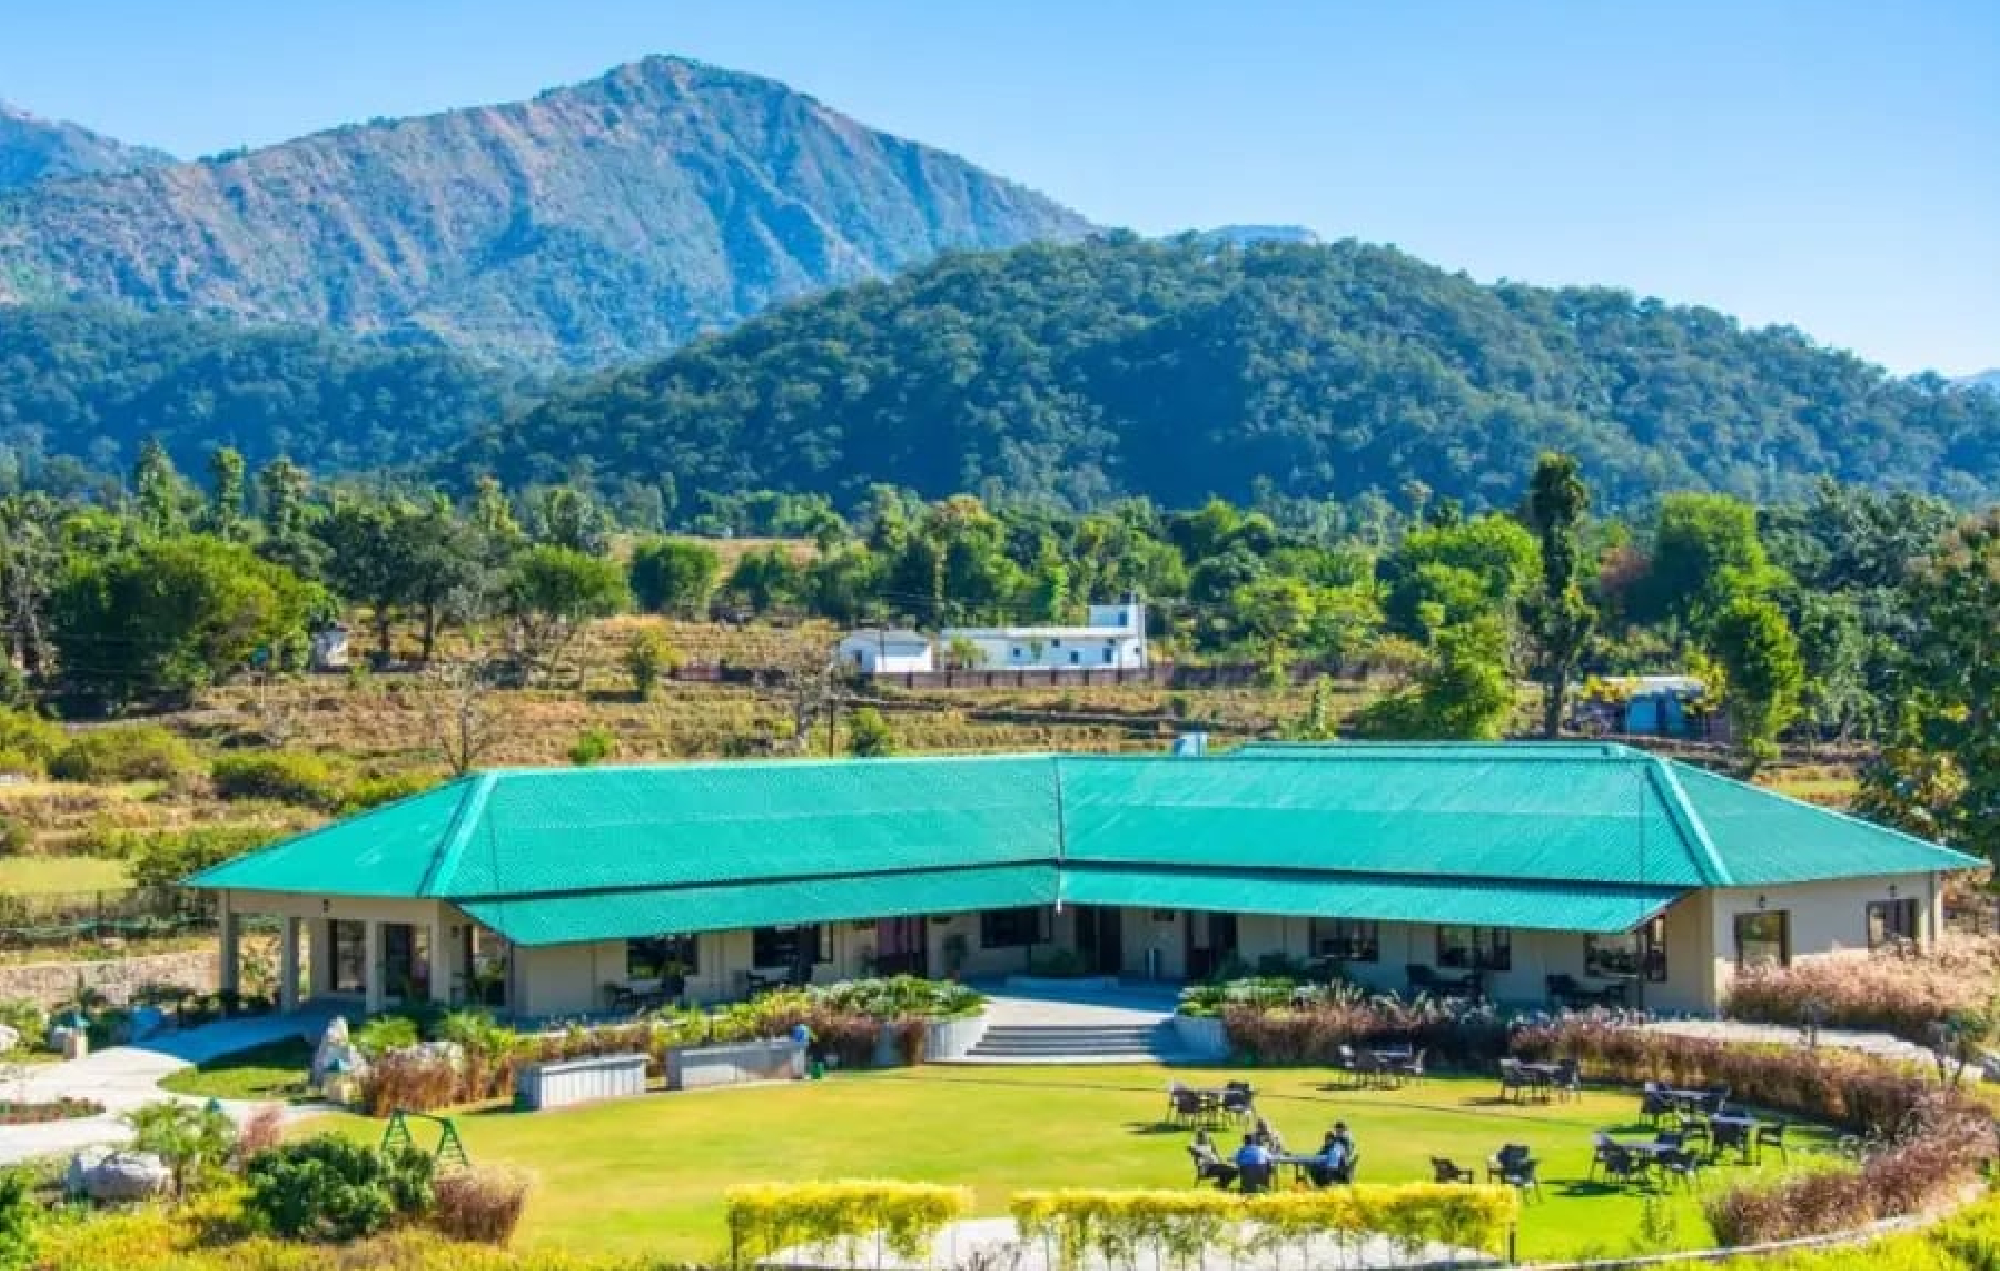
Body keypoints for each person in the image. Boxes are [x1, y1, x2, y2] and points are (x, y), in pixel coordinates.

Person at [1308, 1122, 1358, 1186]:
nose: (1337, 1132)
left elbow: (1344, 1154)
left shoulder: (1345, 1141)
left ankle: (1325, 1183)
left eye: (1339, 1130)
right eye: (1336, 1130)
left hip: (1339, 1166)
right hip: (1333, 1163)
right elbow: (1323, 1152)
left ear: (1344, 1130)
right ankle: (1321, 1183)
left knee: (1316, 1167)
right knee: (1313, 1166)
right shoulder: (1337, 1140)